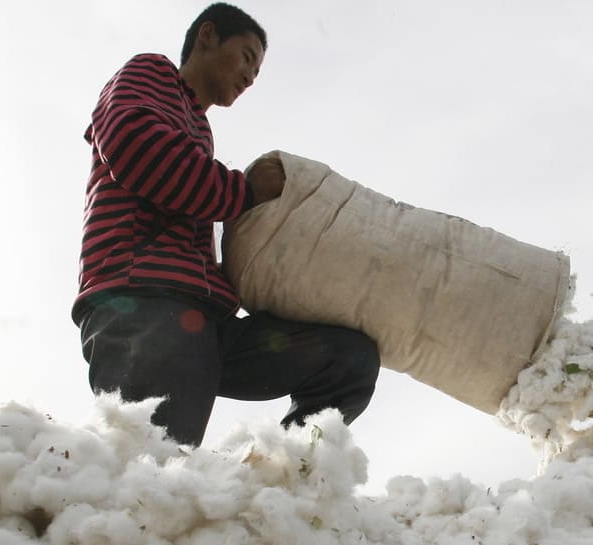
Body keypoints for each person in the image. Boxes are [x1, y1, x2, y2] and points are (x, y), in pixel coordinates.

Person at [73, 3, 380, 446]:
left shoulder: (199, 128)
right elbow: (135, 146)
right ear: (208, 36)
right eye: (248, 56)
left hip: (206, 321)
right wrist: (245, 191)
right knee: (152, 474)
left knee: (348, 360)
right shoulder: (151, 73)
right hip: (144, 305)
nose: (252, 75)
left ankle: (278, 480)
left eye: (258, 67)